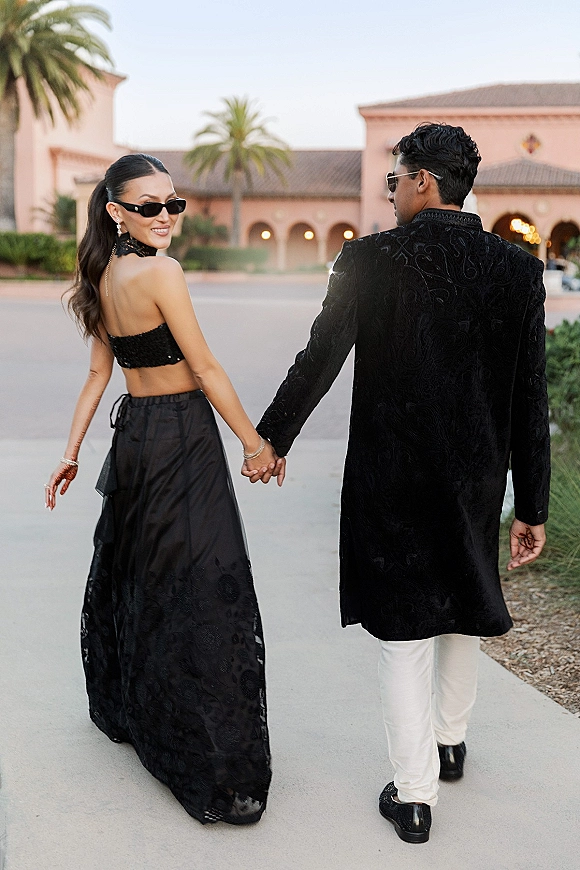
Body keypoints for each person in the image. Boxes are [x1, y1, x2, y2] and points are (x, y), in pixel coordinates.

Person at [252, 124, 550, 843]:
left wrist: (272, 437)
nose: (390, 194)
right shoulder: (517, 269)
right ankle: (448, 745)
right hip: (475, 477)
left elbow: (319, 357)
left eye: (394, 181)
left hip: (393, 477)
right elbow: (528, 397)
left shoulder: (369, 259)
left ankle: (414, 797)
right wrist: (531, 504)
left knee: (404, 632)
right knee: (461, 606)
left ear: (421, 180)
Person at [44, 153, 285, 826]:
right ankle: (214, 758)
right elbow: (204, 367)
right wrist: (255, 444)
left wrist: (71, 453)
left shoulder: (103, 272)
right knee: (207, 586)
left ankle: (153, 716)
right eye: (148, 206)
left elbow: (100, 374)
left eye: (172, 204)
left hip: (138, 439)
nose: (166, 218)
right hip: (180, 437)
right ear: (116, 211)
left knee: (149, 579)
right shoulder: (161, 273)